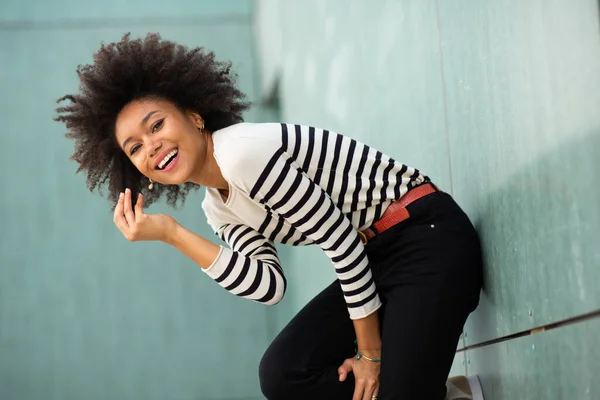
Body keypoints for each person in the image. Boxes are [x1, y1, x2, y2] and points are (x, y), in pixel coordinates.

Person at [55, 33, 484, 400]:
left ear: (194, 116)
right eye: (134, 147)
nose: (149, 146)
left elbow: (340, 241)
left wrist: (371, 357)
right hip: (379, 259)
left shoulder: (242, 153)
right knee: (282, 373)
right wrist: (170, 233)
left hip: (426, 235)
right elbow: (268, 286)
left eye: (156, 125)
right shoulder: (216, 204)